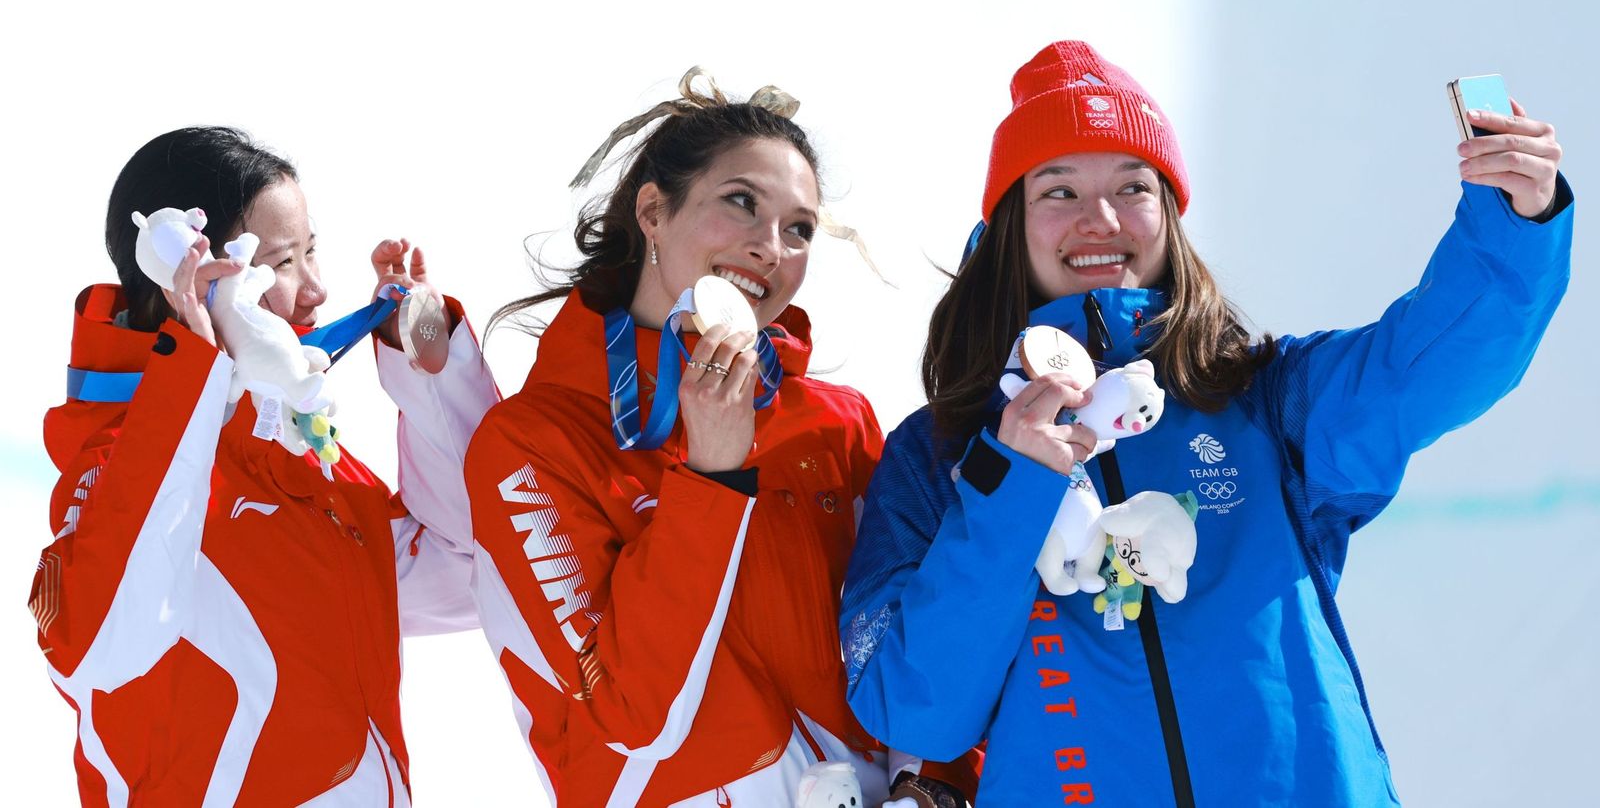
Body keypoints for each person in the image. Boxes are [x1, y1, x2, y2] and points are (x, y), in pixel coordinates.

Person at [840, 41, 1571, 806]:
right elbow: (916, 709)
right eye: (1057, 192)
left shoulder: (1265, 396)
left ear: (1169, 215)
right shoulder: (939, 453)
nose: (1100, 219)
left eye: (1133, 186)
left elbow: (1429, 367)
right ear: (1008, 227)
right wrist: (1010, 484)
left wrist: (1517, 223)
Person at [463, 70, 978, 807]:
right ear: (653, 211)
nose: (771, 247)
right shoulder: (531, 445)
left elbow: (922, 641)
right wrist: (710, 477)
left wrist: (933, 786)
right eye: (741, 203)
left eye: (798, 228)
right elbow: (628, 717)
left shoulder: (836, 426)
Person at [29, 126, 498, 806]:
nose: (317, 290)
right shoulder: (112, 462)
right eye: (283, 263)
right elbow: (103, 648)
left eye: (312, 252)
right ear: (190, 277)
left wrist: (430, 377)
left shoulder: (302, 460)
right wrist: (191, 368)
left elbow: (473, 570)